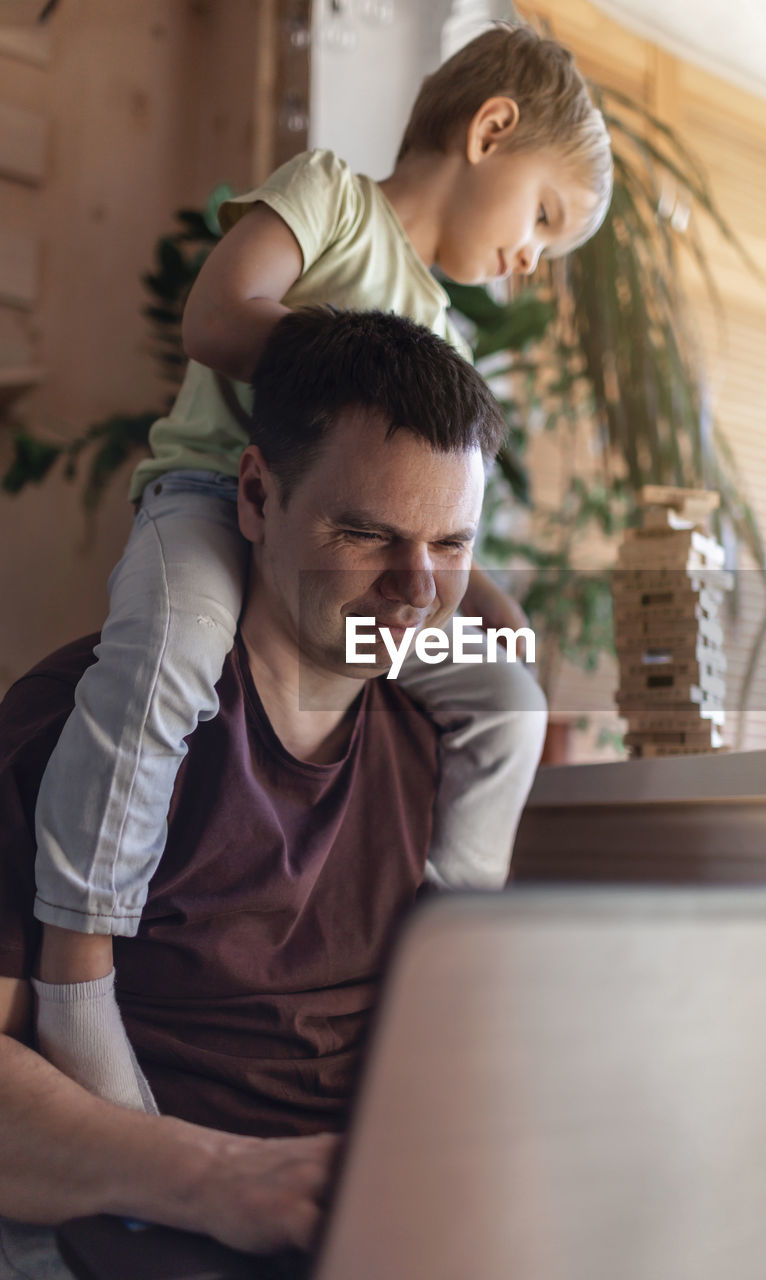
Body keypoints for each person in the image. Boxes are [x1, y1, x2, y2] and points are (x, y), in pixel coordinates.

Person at [31, 24, 613, 1112]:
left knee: (507, 703)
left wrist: (487, 608)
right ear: (491, 131)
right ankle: (76, 973)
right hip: (208, 500)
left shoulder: (437, 324)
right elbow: (217, 317)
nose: (534, 257)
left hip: (337, 577)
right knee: (167, 655)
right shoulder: (335, 198)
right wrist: (358, 377)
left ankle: (438, 957)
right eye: (544, 216)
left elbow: (428, 521)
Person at [0, 308, 508, 1275]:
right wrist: (216, 1178)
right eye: (364, 532)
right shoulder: (81, 724)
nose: (416, 590)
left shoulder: (444, 742)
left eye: (450, 545)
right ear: (255, 496)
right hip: (145, 1220)